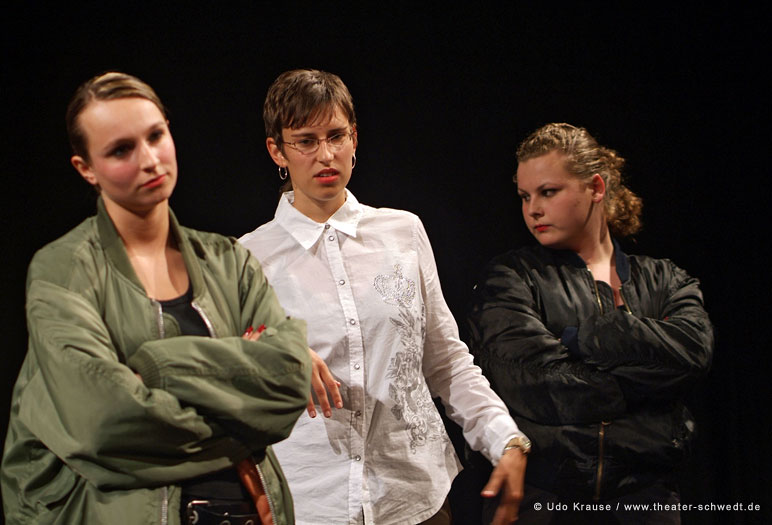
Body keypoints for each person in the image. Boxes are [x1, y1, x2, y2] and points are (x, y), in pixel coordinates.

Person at [1, 72, 311, 525]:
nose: (149, 159)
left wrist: (157, 369)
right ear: (86, 168)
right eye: (121, 150)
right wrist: (240, 423)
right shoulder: (63, 271)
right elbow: (107, 421)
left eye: (155, 136)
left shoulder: (229, 261)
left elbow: (289, 380)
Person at [239, 69, 529, 525]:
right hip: (311, 501)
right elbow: (231, 381)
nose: (326, 154)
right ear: (278, 150)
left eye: (336, 136)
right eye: (306, 141)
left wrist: (504, 438)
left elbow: (445, 360)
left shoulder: (402, 232)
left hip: (412, 496)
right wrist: (272, 351)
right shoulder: (248, 257)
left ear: (354, 138)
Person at [466, 123, 714, 524]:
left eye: (548, 192)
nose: (533, 209)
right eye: (525, 196)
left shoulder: (665, 279)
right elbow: (533, 382)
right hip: (542, 500)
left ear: (596, 187)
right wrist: (649, 390)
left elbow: (694, 353)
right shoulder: (512, 277)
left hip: (646, 501)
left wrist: (589, 337)